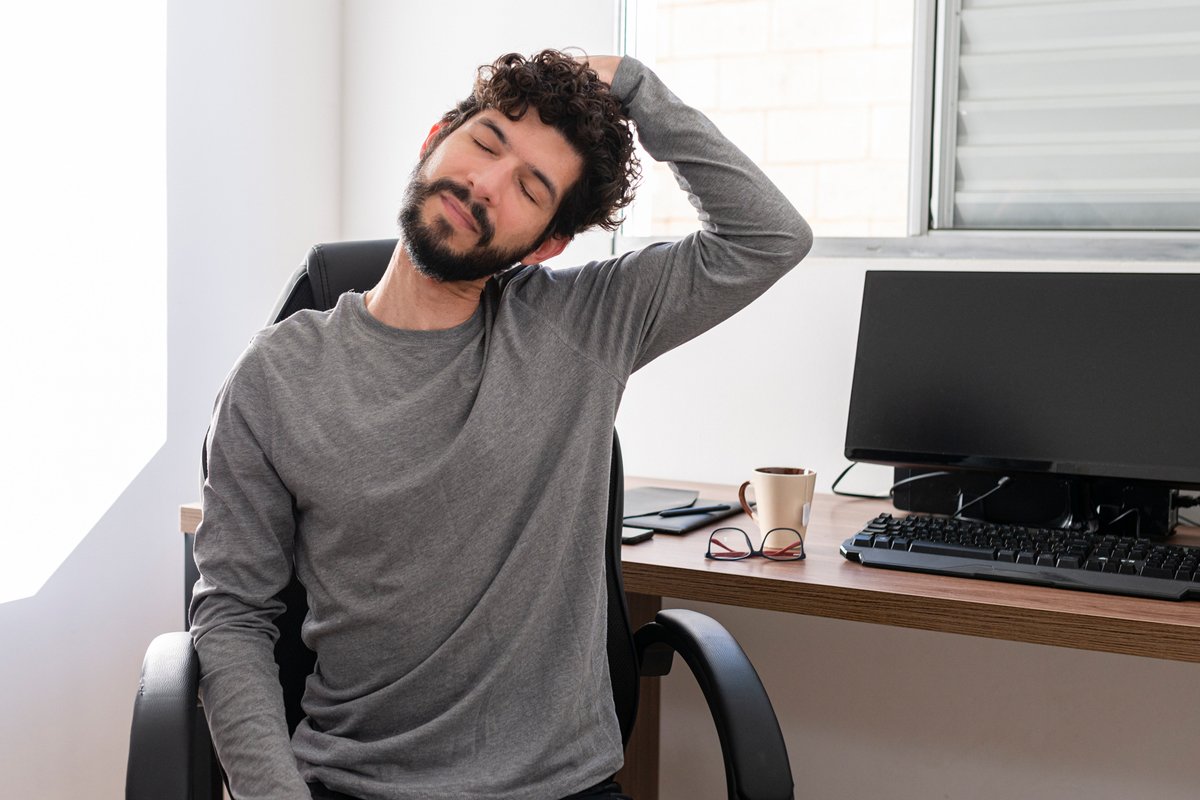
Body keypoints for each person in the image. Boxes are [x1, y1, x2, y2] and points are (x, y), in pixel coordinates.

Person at [190, 49, 812, 800]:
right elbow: (233, 617)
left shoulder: (583, 326)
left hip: (561, 788)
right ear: (433, 140)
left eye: (530, 187)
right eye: (486, 143)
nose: (485, 185)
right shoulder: (276, 378)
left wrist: (635, 87)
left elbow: (770, 236)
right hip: (355, 784)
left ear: (548, 243)